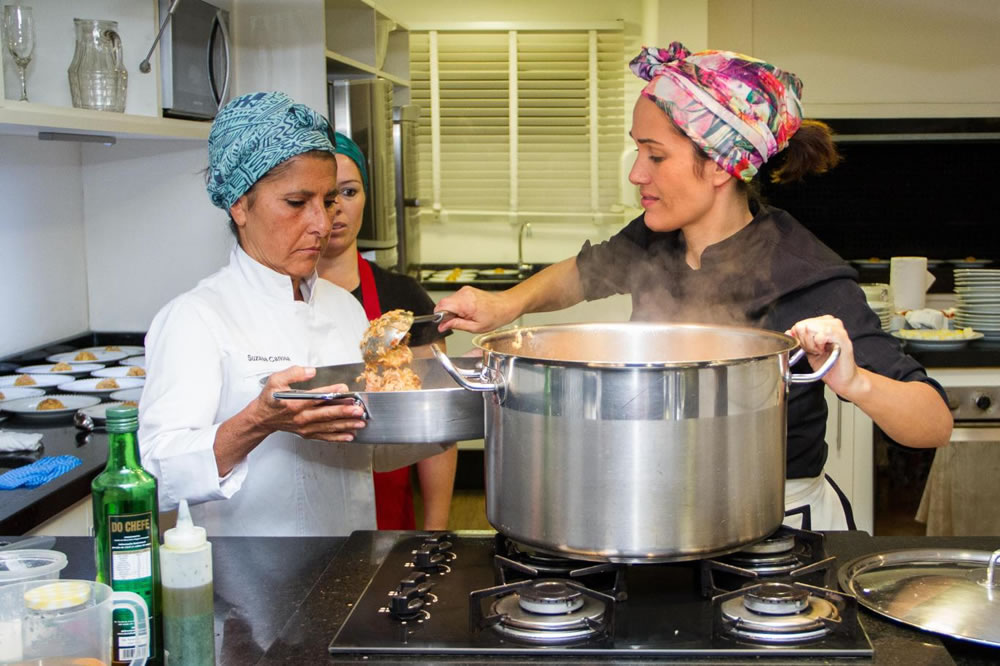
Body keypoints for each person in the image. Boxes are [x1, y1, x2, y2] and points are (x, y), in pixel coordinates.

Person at [436, 43, 953, 531]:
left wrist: (855, 381)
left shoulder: (804, 273)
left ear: (721, 167)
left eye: (656, 156)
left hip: (774, 522)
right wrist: (504, 304)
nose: (637, 174)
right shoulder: (657, 237)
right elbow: (584, 273)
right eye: (637, 151)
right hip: (657, 506)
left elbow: (933, 421)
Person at [138, 91, 449, 536]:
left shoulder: (345, 309)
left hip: (352, 561)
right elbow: (155, 474)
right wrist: (256, 422)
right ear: (239, 204)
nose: (322, 224)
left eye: (328, 200)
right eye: (297, 202)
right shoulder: (196, 318)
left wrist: (449, 401)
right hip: (250, 572)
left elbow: (372, 452)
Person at [316, 131, 458, 531]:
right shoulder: (284, 300)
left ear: (366, 197)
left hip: (388, 514)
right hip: (307, 504)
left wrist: (436, 530)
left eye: (349, 192)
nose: (336, 209)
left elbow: (437, 424)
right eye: (324, 196)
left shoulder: (402, 298)